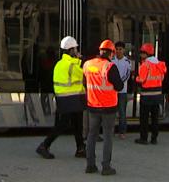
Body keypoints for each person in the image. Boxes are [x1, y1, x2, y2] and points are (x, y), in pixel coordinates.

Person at [36, 36, 86, 160]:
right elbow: (84, 72)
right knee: (64, 125)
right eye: (75, 48)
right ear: (71, 50)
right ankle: (44, 145)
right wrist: (81, 59)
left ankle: (81, 148)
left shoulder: (59, 64)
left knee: (77, 123)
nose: (77, 51)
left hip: (64, 98)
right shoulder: (73, 64)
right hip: (71, 98)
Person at [84, 39, 124, 176]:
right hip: (108, 108)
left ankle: (90, 165)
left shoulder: (87, 65)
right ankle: (106, 167)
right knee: (107, 136)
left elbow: (85, 83)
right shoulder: (109, 67)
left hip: (92, 106)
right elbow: (119, 86)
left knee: (91, 134)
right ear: (111, 53)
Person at [134, 43, 167, 145]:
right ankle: (154, 138)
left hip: (146, 95)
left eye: (142, 53)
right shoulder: (160, 65)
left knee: (144, 118)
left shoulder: (145, 65)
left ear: (146, 54)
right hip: (157, 95)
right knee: (155, 118)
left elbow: (141, 80)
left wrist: (135, 78)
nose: (140, 55)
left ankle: (144, 138)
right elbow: (161, 78)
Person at [113, 41, 131, 138]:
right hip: (112, 90)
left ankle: (122, 131)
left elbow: (127, 75)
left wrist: (119, 83)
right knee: (111, 112)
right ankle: (111, 130)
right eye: (117, 49)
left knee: (122, 112)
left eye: (120, 49)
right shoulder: (112, 60)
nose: (118, 51)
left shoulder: (127, 62)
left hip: (122, 91)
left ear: (123, 50)